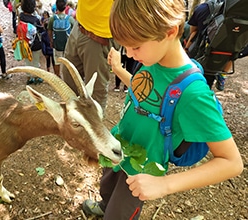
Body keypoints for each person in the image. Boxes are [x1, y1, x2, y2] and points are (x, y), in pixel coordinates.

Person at [82, 0, 243, 219]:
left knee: (119, 213)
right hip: (120, 147)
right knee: (107, 185)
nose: (129, 54)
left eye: (135, 46)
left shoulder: (194, 94)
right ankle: (104, 205)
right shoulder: (153, 57)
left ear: (170, 31)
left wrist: (165, 184)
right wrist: (119, 71)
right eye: (125, 47)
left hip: (142, 168)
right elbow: (145, 93)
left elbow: (231, 162)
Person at [62, 0, 119, 112]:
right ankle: (74, 123)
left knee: (95, 93)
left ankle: (92, 126)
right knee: (69, 82)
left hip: (100, 36)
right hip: (79, 26)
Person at [185, 1, 228, 91]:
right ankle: (223, 75)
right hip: (224, 56)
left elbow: (193, 31)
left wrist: (186, 49)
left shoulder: (203, 8)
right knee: (207, 83)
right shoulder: (239, 10)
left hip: (201, 53)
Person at [47, 0, 75, 77]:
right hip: (67, 45)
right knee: (68, 61)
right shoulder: (70, 19)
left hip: (57, 44)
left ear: (56, 6)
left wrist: (51, 41)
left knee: (56, 60)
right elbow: (74, 32)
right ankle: (68, 76)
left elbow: (49, 31)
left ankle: (57, 75)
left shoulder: (53, 18)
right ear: (66, 7)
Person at [18, 0, 44, 84]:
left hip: (24, 43)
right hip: (35, 43)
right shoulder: (35, 19)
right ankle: (36, 77)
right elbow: (41, 29)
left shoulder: (21, 16)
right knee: (36, 60)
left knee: (27, 60)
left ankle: (29, 77)